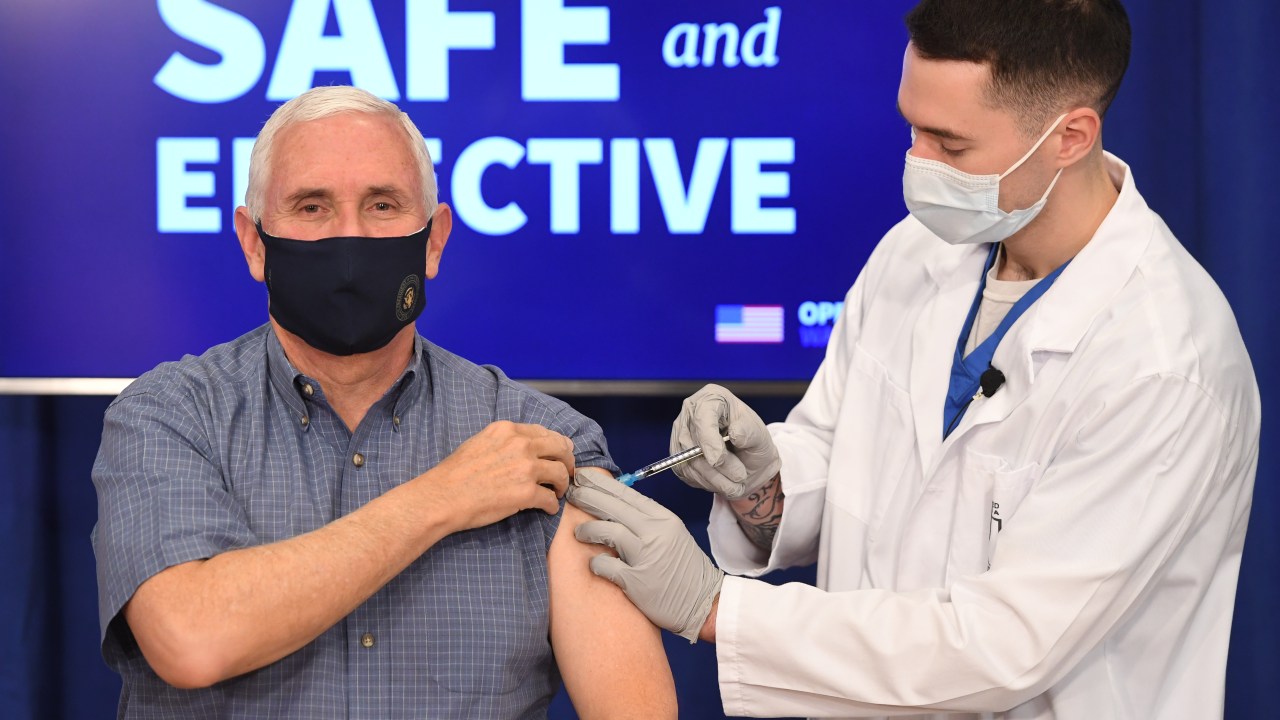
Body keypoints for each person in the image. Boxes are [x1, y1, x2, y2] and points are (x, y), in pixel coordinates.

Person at [567, 1, 1261, 718]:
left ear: (1071, 136)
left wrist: (718, 608)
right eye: (911, 128)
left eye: (950, 146)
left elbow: (1001, 647)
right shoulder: (920, 251)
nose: (917, 163)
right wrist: (763, 487)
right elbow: (844, 453)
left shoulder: (1165, 365)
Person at [91, 86, 675, 719]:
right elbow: (189, 638)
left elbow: (635, 710)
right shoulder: (169, 417)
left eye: (383, 204)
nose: (349, 238)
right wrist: (443, 497)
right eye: (311, 207)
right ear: (253, 243)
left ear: (434, 240)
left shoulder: (540, 443)